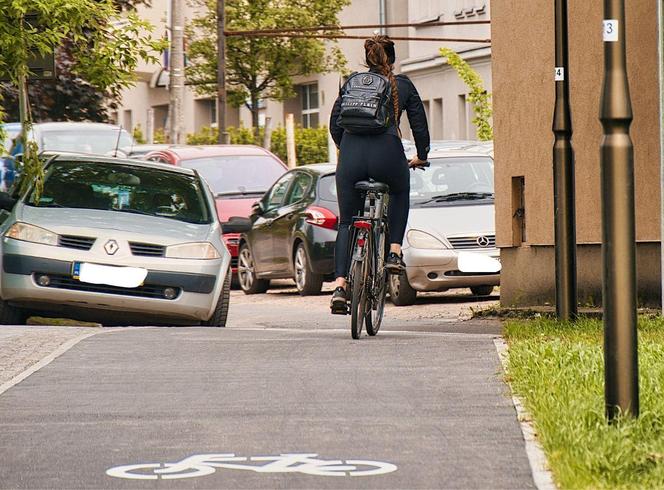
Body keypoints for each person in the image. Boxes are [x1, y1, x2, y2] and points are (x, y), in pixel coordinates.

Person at [329, 34, 430, 313]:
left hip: (351, 156)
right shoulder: (403, 85)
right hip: (387, 154)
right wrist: (422, 155)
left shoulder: (351, 82)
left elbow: (335, 125)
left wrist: (345, 150)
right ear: (393, 59)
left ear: (367, 57)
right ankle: (394, 252)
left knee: (347, 222)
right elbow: (419, 125)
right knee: (399, 191)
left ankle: (340, 286)